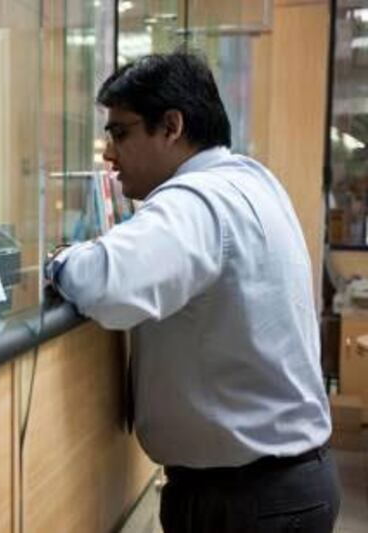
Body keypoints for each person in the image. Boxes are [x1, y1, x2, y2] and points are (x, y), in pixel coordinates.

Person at [45, 52, 340, 532]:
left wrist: (58, 260)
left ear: (171, 126)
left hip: (249, 501)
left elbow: (104, 283)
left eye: (121, 133)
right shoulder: (250, 180)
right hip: (281, 485)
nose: (108, 154)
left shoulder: (197, 200)